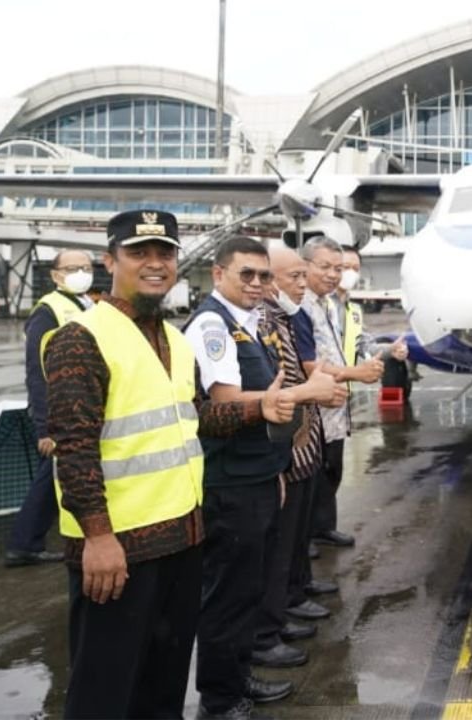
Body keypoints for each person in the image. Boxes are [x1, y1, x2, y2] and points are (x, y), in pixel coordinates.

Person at [45, 210, 289, 718]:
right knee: (105, 694)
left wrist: (257, 406)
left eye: (166, 253)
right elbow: (74, 446)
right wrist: (97, 537)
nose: (155, 264)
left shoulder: (175, 341)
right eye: (139, 253)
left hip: (182, 540)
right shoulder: (81, 337)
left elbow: (196, 417)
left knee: (162, 690)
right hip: (119, 551)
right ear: (110, 261)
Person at [184, 235, 344, 717]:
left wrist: (273, 470)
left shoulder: (246, 324)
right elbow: (227, 401)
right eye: (246, 275)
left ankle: (238, 677)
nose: (257, 284)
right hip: (229, 482)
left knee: (247, 588)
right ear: (218, 274)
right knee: (227, 595)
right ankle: (220, 697)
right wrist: (306, 393)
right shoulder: (213, 325)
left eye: (262, 276)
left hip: (256, 474)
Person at [251, 244, 347, 663]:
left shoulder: (287, 315)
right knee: (277, 543)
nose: (301, 284)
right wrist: (312, 392)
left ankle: (291, 597)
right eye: (295, 276)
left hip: (303, 439)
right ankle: (270, 626)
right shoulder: (263, 320)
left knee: (294, 534)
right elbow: (275, 383)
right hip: (283, 445)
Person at [301, 237, 387, 555]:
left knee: (331, 467)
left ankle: (322, 527)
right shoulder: (301, 306)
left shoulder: (333, 305)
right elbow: (308, 363)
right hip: (313, 404)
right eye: (326, 267)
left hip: (336, 400)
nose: (334, 275)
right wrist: (356, 373)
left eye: (340, 268)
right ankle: (305, 535)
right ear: (305, 265)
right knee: (311, 471)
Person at [8, 249, 94, 567]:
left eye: (86, 267)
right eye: (73, 268)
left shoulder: (87, 304)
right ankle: (23, 543)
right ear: (55, 274)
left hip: (80, 407)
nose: (81, 273)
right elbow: (36, 371)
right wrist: (44, 427)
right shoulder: (48, 311)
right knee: (50, 480)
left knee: (54, 478)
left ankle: (25, 543)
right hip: (58, 412)